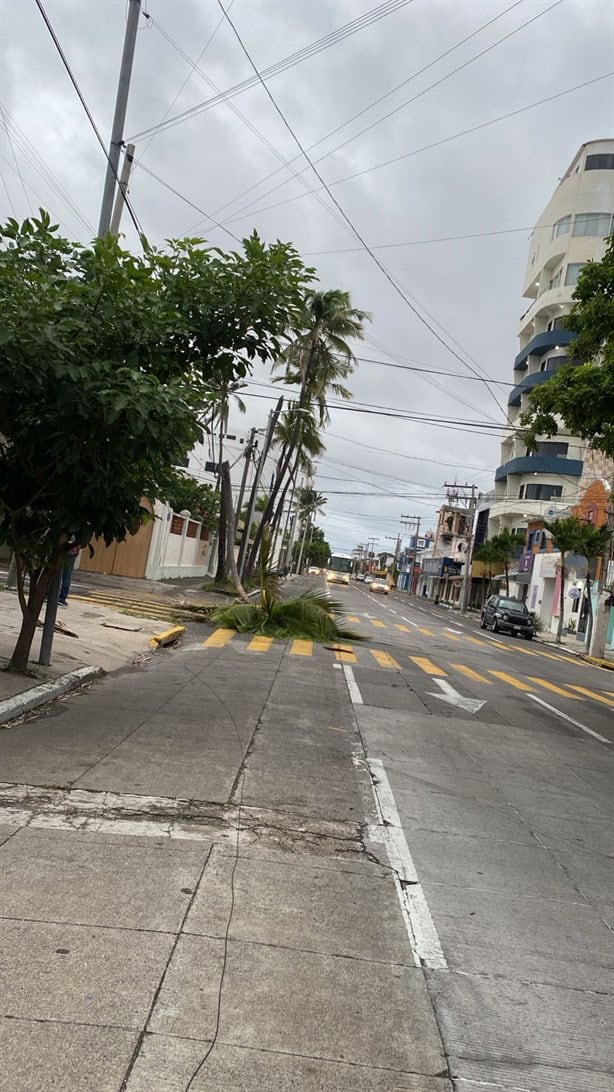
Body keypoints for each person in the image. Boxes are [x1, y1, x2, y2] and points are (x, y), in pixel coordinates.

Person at [58, 540, 80, 607]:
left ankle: (50, 594)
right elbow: (79, 541)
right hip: (71, 552)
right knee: (67, 576)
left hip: (61, 551)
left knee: (57, 574)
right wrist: (77, 551)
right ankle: (62, 598)